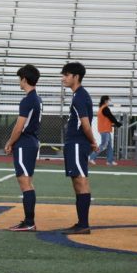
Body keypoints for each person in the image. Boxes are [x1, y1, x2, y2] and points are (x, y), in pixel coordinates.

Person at [59, 62, 98, 235]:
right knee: (78, 181)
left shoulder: (80, 96)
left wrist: (93, 142)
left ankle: (83, 224)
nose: (63, 78)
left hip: (77, 143)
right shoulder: (80, 95)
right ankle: (81, 222)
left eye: (66, 75)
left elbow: (86, 124)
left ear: (76, 77)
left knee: (81, 181)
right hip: (76, 143)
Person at [3, 65, 43, 231]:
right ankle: (29, 220)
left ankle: (29, 221)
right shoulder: (37, 98)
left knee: (24, 182)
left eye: (20, 78)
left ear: (24, 79)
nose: (19, 82)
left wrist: (10, 142)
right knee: (28, 182)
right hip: (32, 141)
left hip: (25, 143)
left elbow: (19, 127)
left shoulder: (28, 100)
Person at [89, 96, 121, 165]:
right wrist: (117, 123)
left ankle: (109, 161)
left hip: (105, 129)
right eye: (109, 100)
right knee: (103, 145)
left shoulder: (102, 108)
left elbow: (108, 118)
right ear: (106, 101)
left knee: (109, 145)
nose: (109, 102)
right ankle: (92, 157)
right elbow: (110, 117)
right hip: (104, 129)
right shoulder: (105, 108)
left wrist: (115, 123)